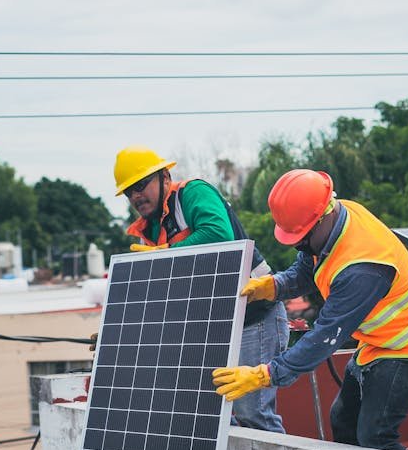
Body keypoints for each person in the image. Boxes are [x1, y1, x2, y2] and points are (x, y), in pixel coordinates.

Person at [212, 168, 408, 450]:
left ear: (323, 217)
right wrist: (274, 286)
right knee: (343, 420)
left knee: (375, 436)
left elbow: (324, 336)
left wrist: (266, 374)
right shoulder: (336, 217)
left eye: (301, 236)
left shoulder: (362, 269)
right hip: (381, 341)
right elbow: (308, 265)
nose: (299, 244)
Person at [114, 147, 288, 433]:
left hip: (254, 317)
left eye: (141, 185)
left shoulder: (193, 194)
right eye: (128, 192)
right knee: (215, 416)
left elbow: (219, 234)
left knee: (252, 414)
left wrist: (166, 253)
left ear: (165, 177)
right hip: (213, 328)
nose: (135, 196)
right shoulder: (151, 230)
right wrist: (122, 329)